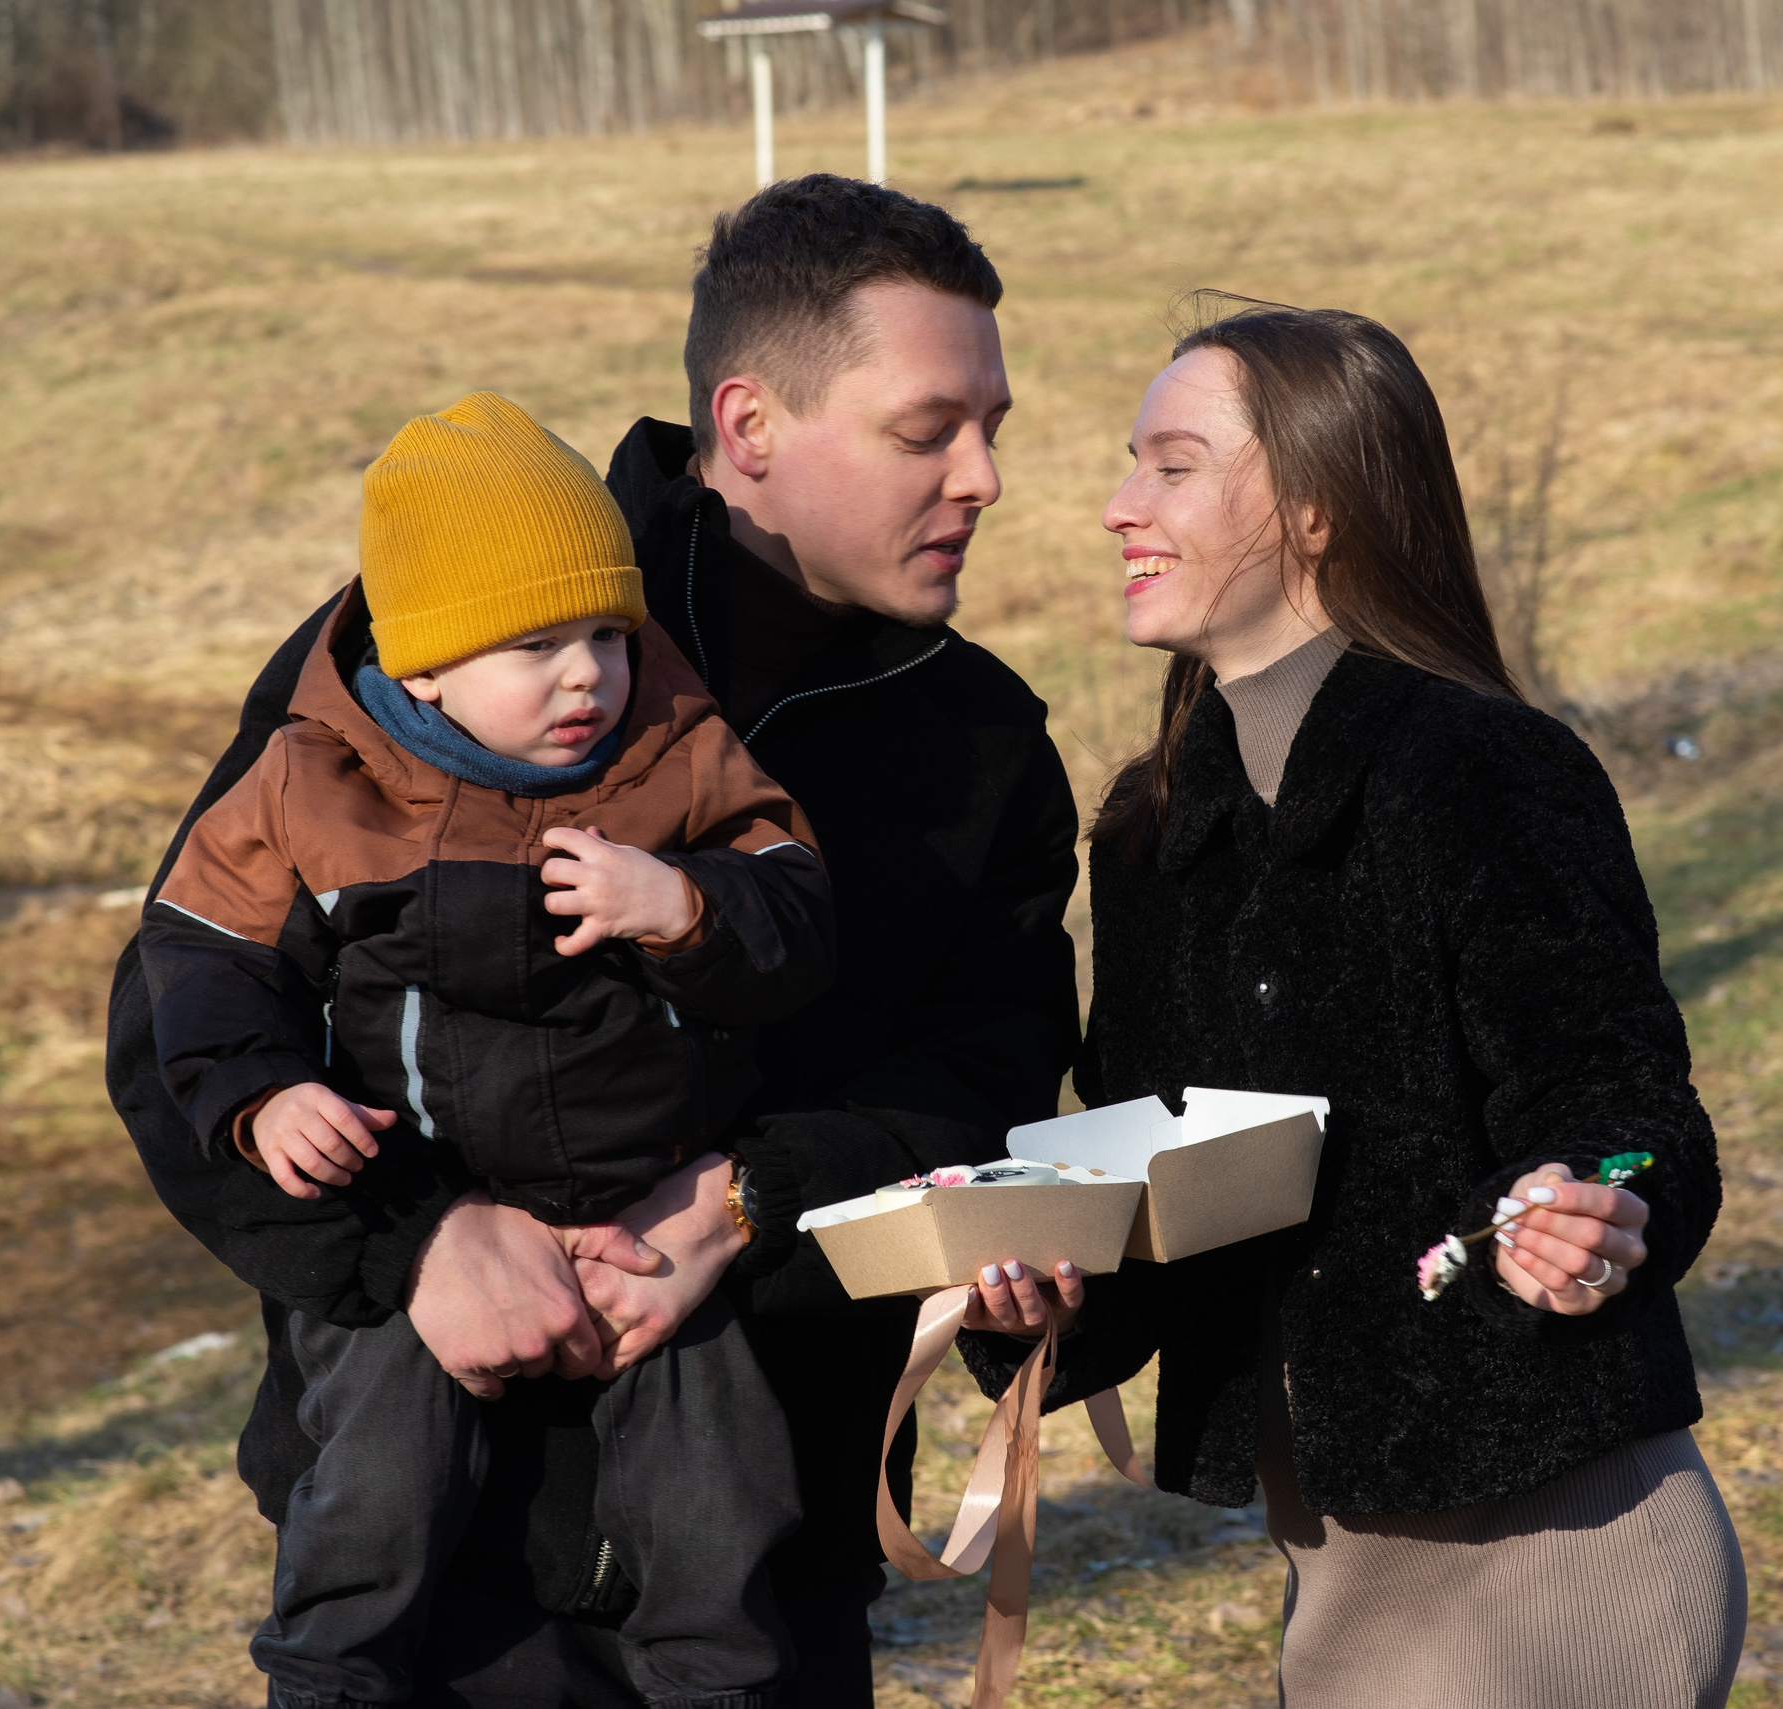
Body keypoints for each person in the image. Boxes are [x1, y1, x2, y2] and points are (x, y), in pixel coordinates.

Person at [105, 176, 1081, 1706]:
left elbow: (987, 1073)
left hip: (762, 1570)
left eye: (995, 427)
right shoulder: (448, 622)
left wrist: (753, 1200)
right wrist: (416, 1237)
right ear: (749, 426)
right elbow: (175, 1015)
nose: (985, 477)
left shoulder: (982, 749)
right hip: (433, 1553)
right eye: (927, 429)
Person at [961, 300, 1744, 1709]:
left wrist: (1595, 1210)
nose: (1114, 505)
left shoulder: (1484, 772)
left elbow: (1627, 1109)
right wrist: (1039, 1294)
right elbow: (1158, 1197)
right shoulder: (1149, 835)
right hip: (1341, 1584)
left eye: (1172, 464)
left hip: (1561, 1548)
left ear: (1316, 511)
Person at [140, 391, 831, 1709]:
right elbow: (200, 954)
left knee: (719, 1489)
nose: (587, 676)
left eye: (605, 636)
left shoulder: (675, 755)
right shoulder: (310, 780)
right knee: (377, 1482)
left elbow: (800, 915)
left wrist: (685, 906)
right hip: (419, 1217)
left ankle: (720, 1689)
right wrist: (263, 1094)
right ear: (424, 667)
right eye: (535, 644)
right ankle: (328, 1678)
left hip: (647, 1220)